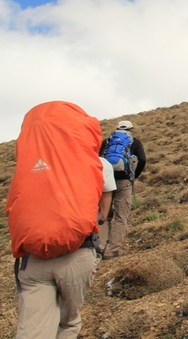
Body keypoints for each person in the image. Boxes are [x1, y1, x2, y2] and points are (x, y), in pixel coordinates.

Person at [7, 101, 116, 338]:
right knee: (68, 323)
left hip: (34, 259)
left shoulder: (27, 166)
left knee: (33, 329)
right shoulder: (93, 164)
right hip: (77, 255)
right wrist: (104, 218)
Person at [99, 120, 147, 260]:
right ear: (131, 129)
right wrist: (134, 176)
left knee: (104, 215)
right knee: (121, 216)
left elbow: (98, 159)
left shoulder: (107, 141)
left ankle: (100, 247)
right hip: (124, 181)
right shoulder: (134, 142)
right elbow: (142, 160)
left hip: (106, 181)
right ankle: (112, 250)